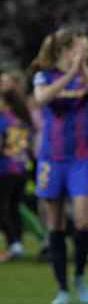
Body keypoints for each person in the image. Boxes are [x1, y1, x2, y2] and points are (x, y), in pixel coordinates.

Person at [31, 27, 88, 304]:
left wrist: (82, 70)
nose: (84, 53)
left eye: (86, 49)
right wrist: (68, 74)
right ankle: (62, 288)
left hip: (81, 159)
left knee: (85, 220)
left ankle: (80, 275)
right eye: (80, 48)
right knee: (56, 223)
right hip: (52, 159)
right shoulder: (45, 75)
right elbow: (42, 99)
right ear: (65, 49)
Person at [0, 79, 33, 262]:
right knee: (13, 207)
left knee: (3, 208)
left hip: (4, 169)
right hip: (21, 168)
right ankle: (17, 244)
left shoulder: (2, 120)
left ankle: (13, 243)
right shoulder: (21, 119)